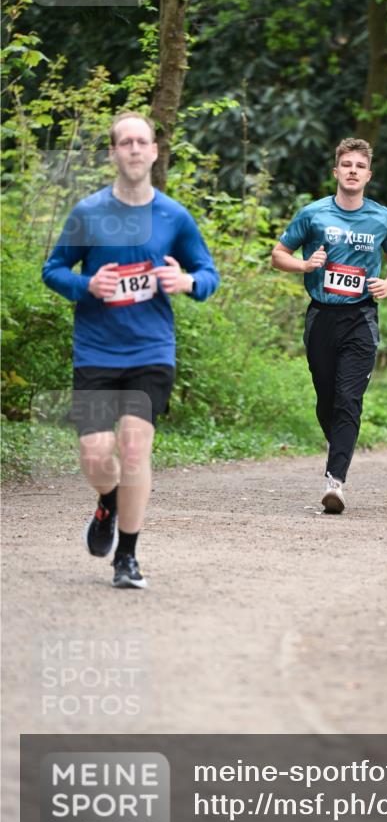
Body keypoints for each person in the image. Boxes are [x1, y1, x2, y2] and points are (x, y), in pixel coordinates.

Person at [42, 112, 220, 587]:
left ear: (155, 152)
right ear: (113, 153)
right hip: (97, 351)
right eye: (126, 142)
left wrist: (185, 281)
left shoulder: (174, 217)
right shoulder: (88, 213)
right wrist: (86, 284)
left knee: (136, 450)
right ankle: (107, 501)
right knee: (97, 456)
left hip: (151, 350)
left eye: (143, 141)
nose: (135, 149)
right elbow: (53, 270)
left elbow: (209, 275)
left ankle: (128, 557)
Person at [271, 137, 387, 512]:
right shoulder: (313, 214)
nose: (352, 171)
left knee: (349, 398)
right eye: (346, 165)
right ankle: (341, 445)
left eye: (359, 166)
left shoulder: (382, 217)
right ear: (336, 172)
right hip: (321, 316)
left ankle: (336, 482)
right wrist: (304, 265)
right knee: (327, 398)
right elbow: (278, 255)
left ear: (368, 175)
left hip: (361, 317)